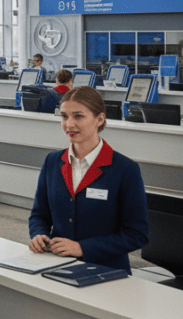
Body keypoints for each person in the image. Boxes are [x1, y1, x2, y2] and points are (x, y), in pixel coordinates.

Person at [28, 86, 149, 272]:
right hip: (57, 266)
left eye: (78, 116)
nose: (69, 124)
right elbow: (39, 215)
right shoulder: (52, 162)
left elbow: (137, 234)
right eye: (64, 116)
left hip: (106, 272)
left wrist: (82, 248)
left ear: (99, 119)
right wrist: (39, 235)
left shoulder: (125, 169)